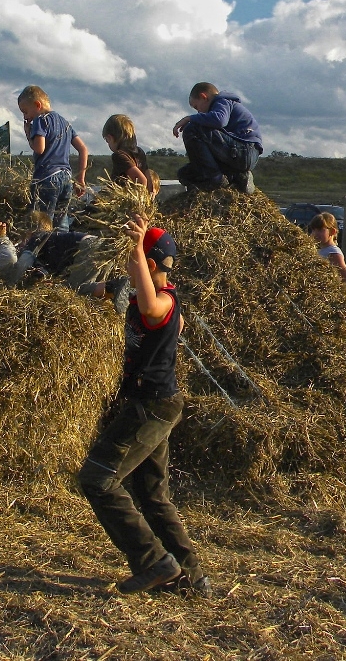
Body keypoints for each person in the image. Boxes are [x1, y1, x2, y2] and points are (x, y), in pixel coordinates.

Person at [77, 217, 209, 598]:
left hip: (151, 407)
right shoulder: (140, 295)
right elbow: (100, 291)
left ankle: (155, 563)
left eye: (132, 260)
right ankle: (191, 577)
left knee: (98, 480)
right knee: (151, 494)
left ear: (149, 264)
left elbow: (154, 308)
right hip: (153, 404)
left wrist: (136, 250)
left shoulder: (165, 300)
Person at [6, 211, 130, 312]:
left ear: (29, 232)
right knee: (93, 287)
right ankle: (125, 293)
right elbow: (44, 272)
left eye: (22, 238)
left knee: (75, 289)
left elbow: (22, 264)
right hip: (101, 245)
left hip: (87, 247)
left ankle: (113, 285)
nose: (22, 243)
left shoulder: (36, 239)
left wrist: (10, 286)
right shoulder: (52, 243)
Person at [173, 82, 262, 194]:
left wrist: (190, 118)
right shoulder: (218, 106)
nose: (198, 112)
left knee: (192, 129)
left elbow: (220, 120)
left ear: (203, 97)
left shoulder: (222, 101)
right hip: (236, 153)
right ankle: (238, 177)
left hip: (244, 150)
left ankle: (215, 179)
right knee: (185, 174)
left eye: (196, 107)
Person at [18, 85, 89, 227]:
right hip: (66, 179)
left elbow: (39, 148)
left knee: (42, 222)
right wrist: (81, 179)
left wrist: (28, 134)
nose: (26, 117)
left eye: (25, 112)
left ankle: (41, 248)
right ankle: (61, 247)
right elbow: (83, 149)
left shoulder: (41, 120)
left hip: (47, 178)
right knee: (61, 223)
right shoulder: (66, 124)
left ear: (37, 105)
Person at [309, 212, 346, 297]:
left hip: (343, 295)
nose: (315, 233)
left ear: (332, 231)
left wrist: (345, 296)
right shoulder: (319, 250)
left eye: (320, 230)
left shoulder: (333, 253)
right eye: (313, 230)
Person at [103, 114, 155, 194]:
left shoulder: (119, 156)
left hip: (124, 199)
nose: (108, 144)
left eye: (107, 141)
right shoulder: (140, 152)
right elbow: (148, 177)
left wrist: (138, 198)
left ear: (110, 138)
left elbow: (142, 180)